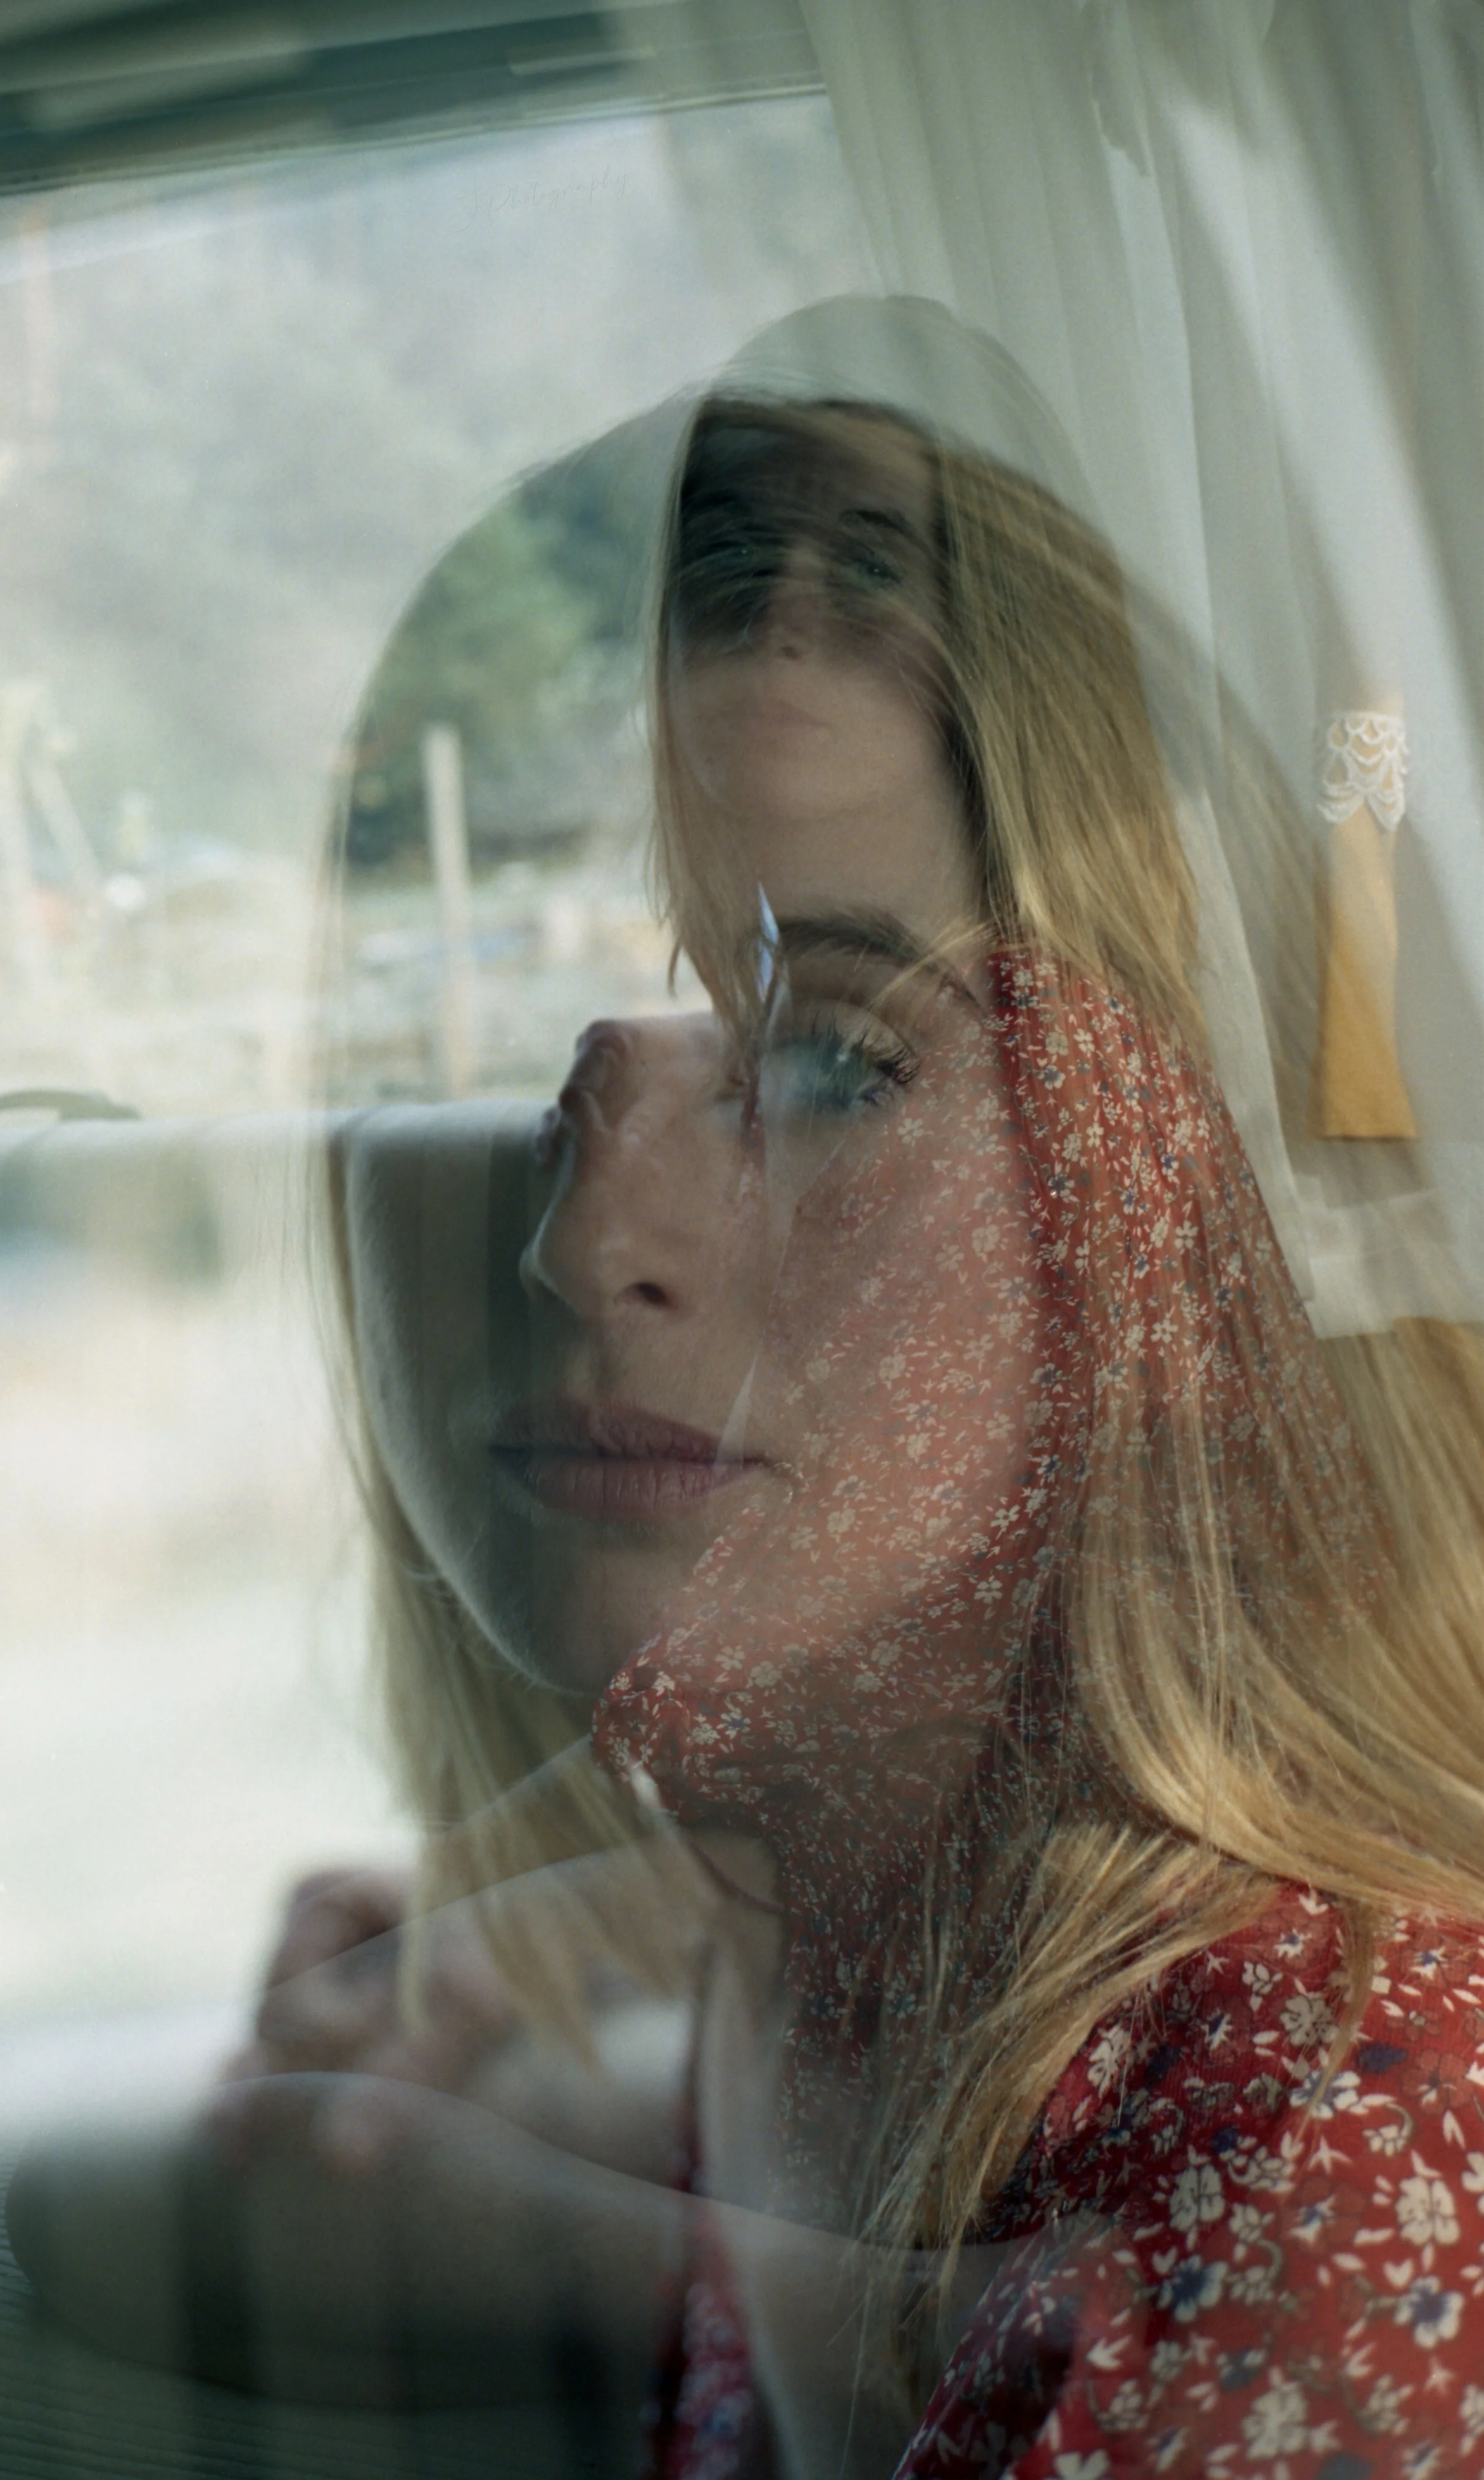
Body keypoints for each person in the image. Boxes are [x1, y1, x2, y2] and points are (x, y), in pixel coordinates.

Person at [21, 298, 1484, 2477]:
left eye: (833, 1056)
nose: (574, 1243)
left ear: (1181, 1213)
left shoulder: (1312, 2190)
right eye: (621, 1040)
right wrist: (534, 1945)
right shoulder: (862, 1950)